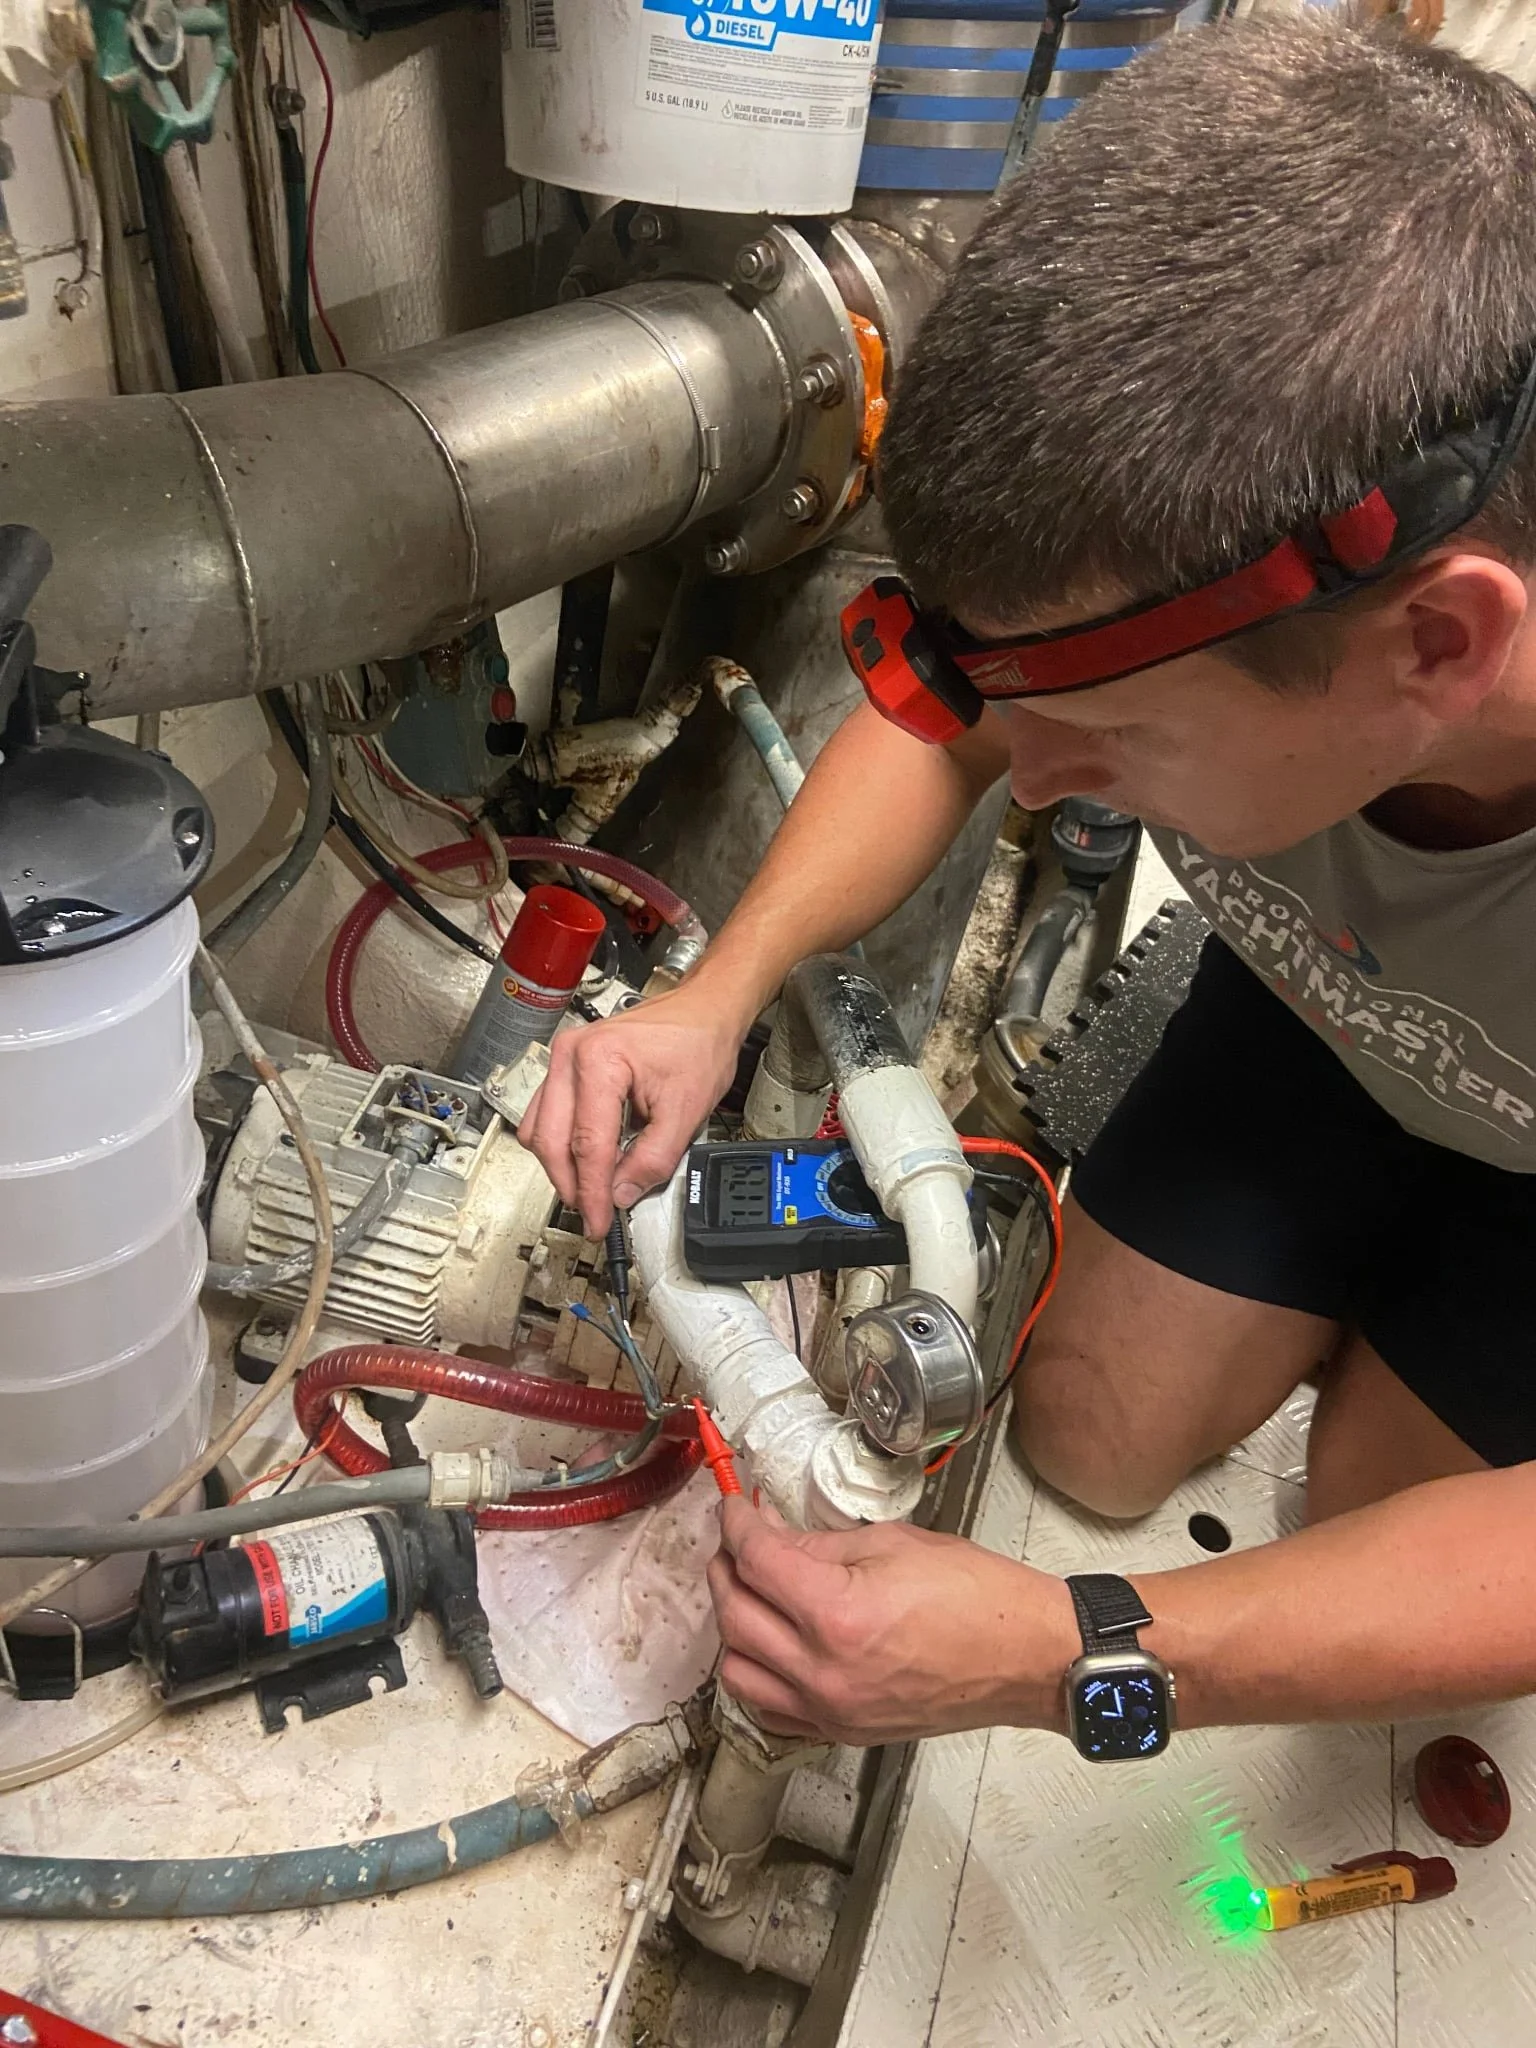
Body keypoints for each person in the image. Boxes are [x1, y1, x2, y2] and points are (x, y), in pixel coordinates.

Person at [521, 11, 1536, 1754]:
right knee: (1084, 1433)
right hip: (1332, 1024)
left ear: (1438, 642)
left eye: (1114, 739)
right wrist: (715, 995)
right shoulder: (1226, 611)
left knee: (1377, 1561)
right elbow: (949, 731)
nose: (1038, 779)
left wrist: (1080, 1650)